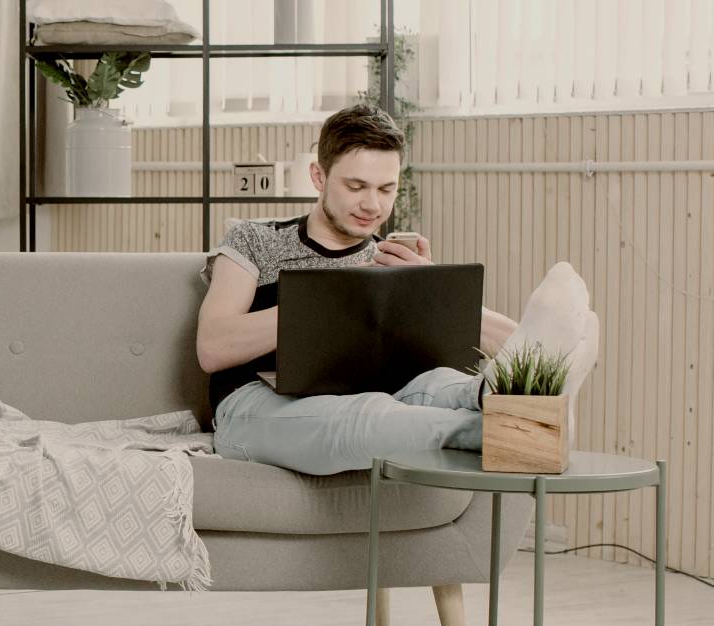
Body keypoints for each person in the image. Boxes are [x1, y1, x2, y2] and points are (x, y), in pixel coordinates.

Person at [199, 104, 599, 476]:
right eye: (356, 186)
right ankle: (522, 428)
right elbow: (212, 348)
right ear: (319, 177)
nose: (372, 205)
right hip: (254, 408)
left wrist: (430, 291)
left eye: (386, 189)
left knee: (441, 384)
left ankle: (533, 379)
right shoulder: (255, 240)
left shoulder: (389, 260)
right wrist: (338, 297)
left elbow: (466, 353)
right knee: (366, 416)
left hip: (387, 396)